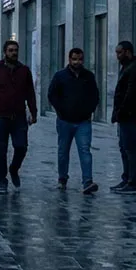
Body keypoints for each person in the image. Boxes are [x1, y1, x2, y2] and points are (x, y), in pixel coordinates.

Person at [0, 40, 37, 194]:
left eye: (16, 50)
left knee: (21, 147)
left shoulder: (24, 71)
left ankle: (14, 169)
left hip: (18, 117)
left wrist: (33, 112)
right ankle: (2, 181)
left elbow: (30, 93)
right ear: (5, 52)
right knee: (1, 150)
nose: (14, 53)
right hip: (0, 117)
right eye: (11, 50)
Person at [47, 48, 100, 194]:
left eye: (80, 59)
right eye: (75, 59)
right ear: (69, 60)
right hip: (65, 121)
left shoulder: (88, 76)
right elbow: (52, 94)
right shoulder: (60, 76)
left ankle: (87, 182)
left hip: (83, 121)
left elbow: (95, 96)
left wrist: (89, 110)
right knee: (63, 151)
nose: (77, 62)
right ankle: (62, 179)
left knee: (85, 150)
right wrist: (61, 110)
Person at [111, 40, 136, 195]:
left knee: (130, 149)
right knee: (124, 148)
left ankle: (133, 183)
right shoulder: (127, 67)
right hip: (125, 115)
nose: (117, 56)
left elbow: (131, 94)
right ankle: (127, 179)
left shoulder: (135, 69)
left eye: (119, 52)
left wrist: (121, 112)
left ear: (127, 52)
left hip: (131, 115)